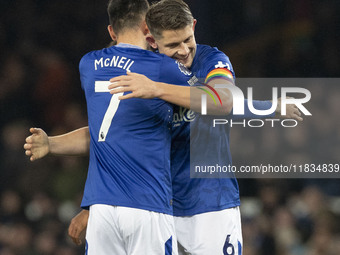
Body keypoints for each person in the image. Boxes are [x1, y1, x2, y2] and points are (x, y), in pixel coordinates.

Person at [24, 0, 302, 254]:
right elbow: (110, 135)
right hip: (158, 204)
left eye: (187, 40)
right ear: (153, 41)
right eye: (173, 45)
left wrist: (270, 107)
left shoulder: (211, 60)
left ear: (194, 28)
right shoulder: (144, 70)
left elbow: (223, 101)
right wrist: (92, 205)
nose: (183, 51)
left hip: (209, 203)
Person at [30, 0, 193, 254]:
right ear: (147, 26)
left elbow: (105, 131)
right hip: (147, 204)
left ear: (111, 32)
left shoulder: (88, 65)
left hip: (102, 211)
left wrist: (51, 143)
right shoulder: (163, 67)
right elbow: (216, 99)